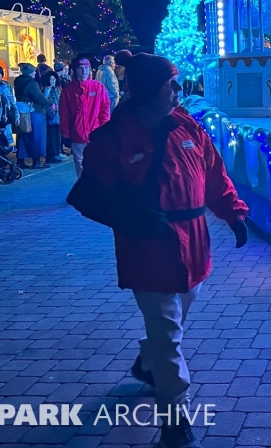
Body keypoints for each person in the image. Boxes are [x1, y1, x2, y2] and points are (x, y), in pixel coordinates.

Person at [71, 54, 249, 448]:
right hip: (148, 250)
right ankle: (175, 415)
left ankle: (148, 362)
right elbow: (91, 195)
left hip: (193, 245)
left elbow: (214, 173)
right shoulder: (116, 137)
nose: (178, 91)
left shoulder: (187, 126)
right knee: (168, 332)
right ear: (151, 90)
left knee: (173, 323)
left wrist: (233, 214)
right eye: (171, 84)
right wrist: (128, 216)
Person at [59, 56, 111, 177]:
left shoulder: (98, 87)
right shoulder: (68, 91)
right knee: (81, 166)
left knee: (98, 164)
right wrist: (65, 134)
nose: (84, 71)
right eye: (80, 68)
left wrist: (105, 129)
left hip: (96, 134)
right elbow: (64, 114)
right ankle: (85, 191)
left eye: (86, 68)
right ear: (75, 70)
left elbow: (105, 109)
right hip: (78, 135)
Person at [13, 63, 50, 170]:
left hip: (22, 112)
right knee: (37, 137)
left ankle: (21, 161)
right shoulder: (32, 83)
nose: (35, 73)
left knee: (23, 136)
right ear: (30, 73)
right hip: (35, 112)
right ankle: (36, 161)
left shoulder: (18, 81)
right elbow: (39, 98)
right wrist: (49, 101)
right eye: (33, 71)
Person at [41, 70, 64, 165]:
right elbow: (45, 103)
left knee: (57, 136)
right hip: (52, 117)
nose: (53, 81)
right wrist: (52, 114)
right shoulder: (47, 89)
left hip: (58, 116)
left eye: (54, 79)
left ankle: (57, 152)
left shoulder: (57, 89)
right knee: (51, 137)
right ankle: (52, 155)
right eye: (51, 79)